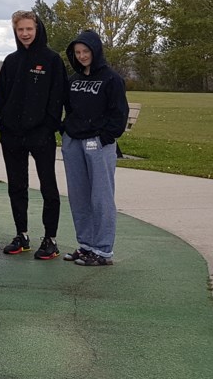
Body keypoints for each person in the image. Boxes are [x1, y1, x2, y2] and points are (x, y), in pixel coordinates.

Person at [0, 10, 68, 260]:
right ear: (15, 32)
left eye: (29, 29)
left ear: (37, 30)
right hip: (12, 135)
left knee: (48, 186)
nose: (25, 34)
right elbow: (1, 97)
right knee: (17, 186)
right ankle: (21, 235)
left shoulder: (51, 60)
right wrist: (4, 124)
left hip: (41, 135)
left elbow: (57, 98)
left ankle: (50, 239)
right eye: (20, 30)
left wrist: (48, 126)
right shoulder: (11, 61)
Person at [61, 30, 129, 267]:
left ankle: (102, 250)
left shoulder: (111, 79)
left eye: (85, 51)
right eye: (77, 52)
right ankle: (86, 245)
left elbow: (119, 113)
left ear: (95, 51)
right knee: (78, 196)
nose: (81, 56)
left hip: (99, 144)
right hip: (73, 142)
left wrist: (106, 137)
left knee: (100, 197)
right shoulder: (73, 80)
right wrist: (65, 130)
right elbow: (69, 109)